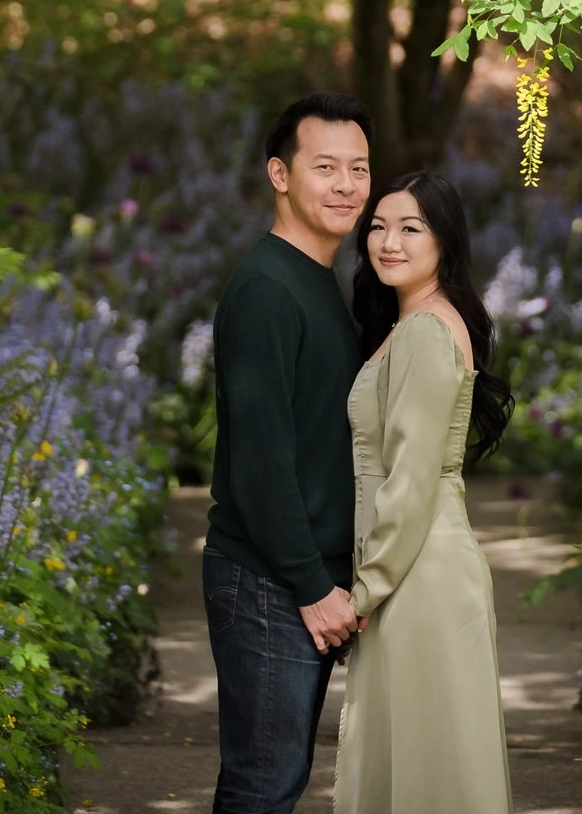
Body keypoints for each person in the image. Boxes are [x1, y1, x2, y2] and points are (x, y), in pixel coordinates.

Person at [205, 93, 372, 814]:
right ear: (280, 173)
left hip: (298, 578)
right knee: (262, 786)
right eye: (325, 166)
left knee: (275, 779)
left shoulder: (318, 280)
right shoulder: (267, 289)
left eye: (359, 168)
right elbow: (261, 459)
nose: (346, 185)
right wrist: (311, 585)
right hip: (271, 582)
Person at [336, 169, 515, 814]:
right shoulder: (417, 325)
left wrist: (365, 590)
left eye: (411, 228)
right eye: (378, 227)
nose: (389, 242)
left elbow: (410, 479)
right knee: (419, 762)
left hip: (417, 571)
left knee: (427, 770)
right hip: (418, 564)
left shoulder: (423, 334)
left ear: (445, 241)